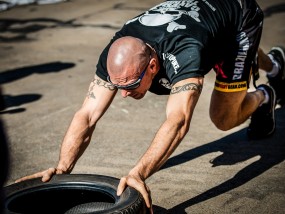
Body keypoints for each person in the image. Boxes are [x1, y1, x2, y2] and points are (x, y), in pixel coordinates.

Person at [15, 0, 285, 213]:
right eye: (118, 86)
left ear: (153, 66)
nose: (123, 95)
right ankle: (275, 64)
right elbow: (87, 115)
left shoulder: (186, 52)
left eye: (130, 85)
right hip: (207, 20)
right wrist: (63, 169)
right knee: (222, 43)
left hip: (238, 17)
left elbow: (178, 121)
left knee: (223, 117)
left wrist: (138, 173)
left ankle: (263, 95)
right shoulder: (118, 51)